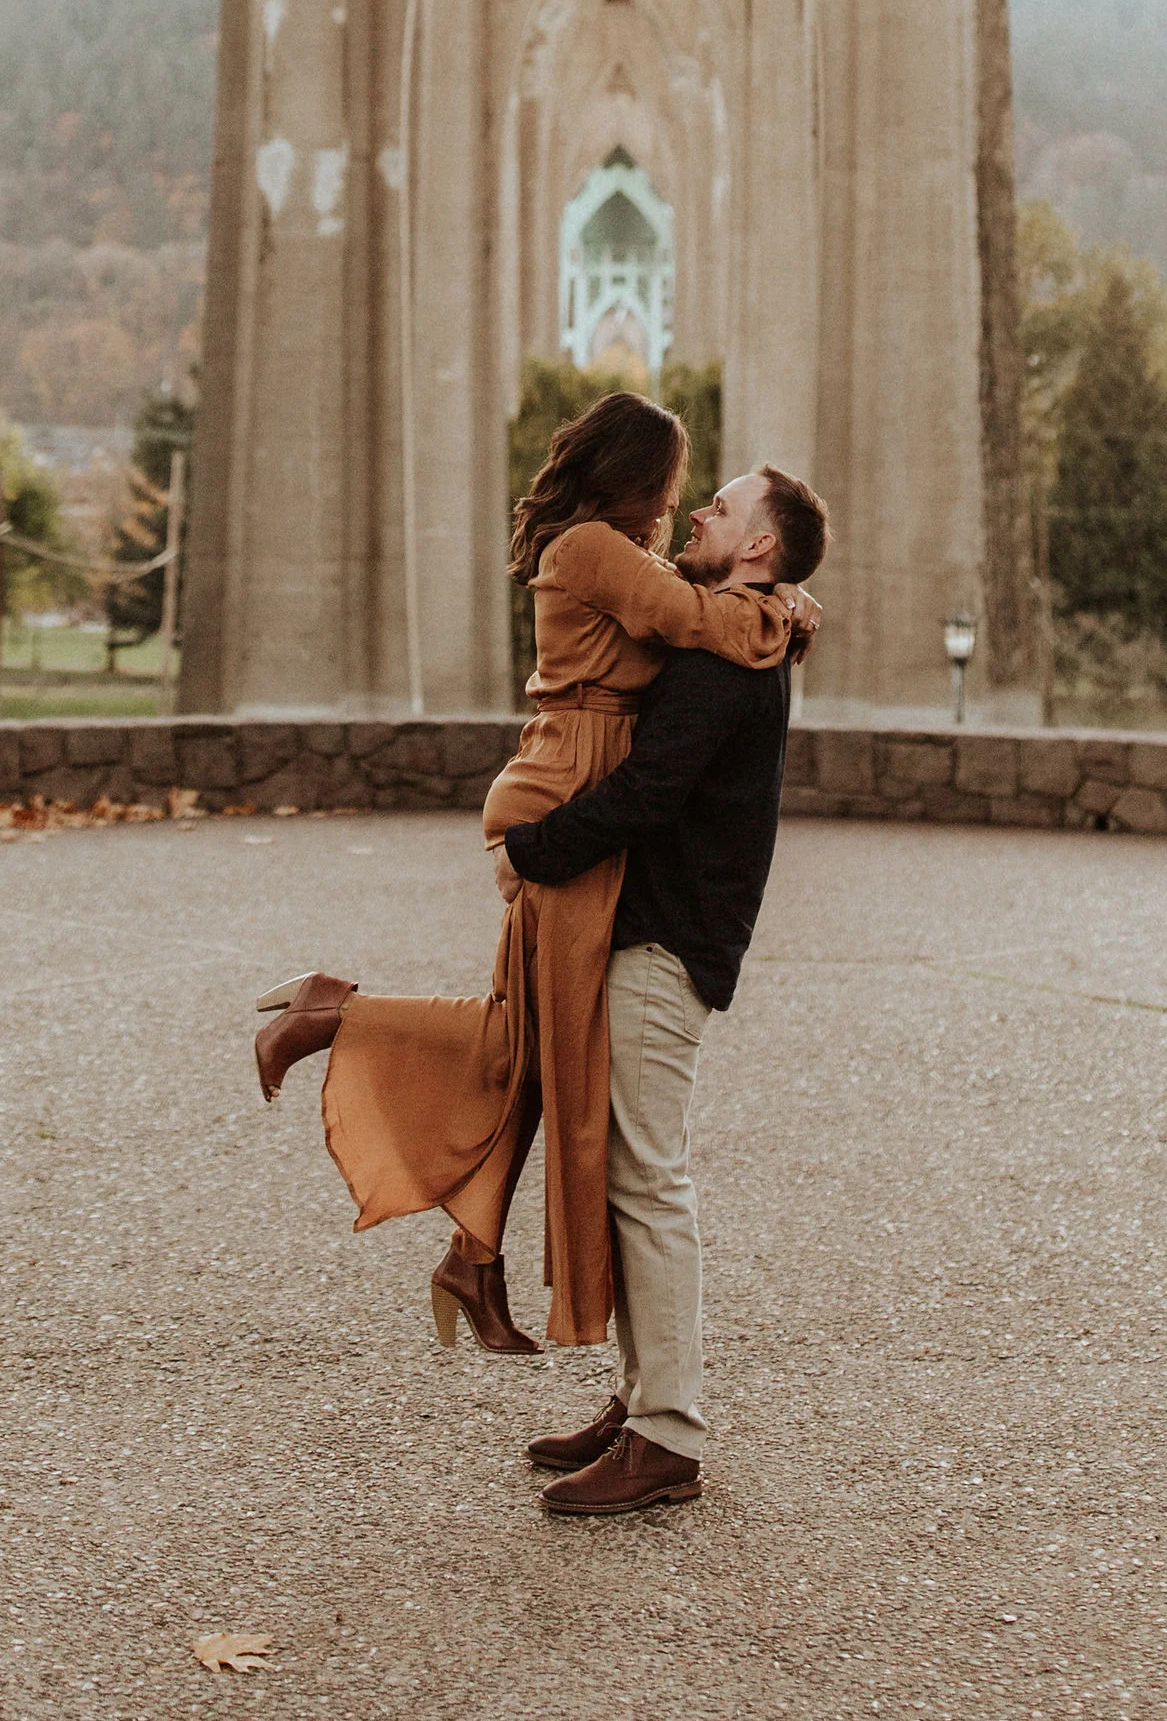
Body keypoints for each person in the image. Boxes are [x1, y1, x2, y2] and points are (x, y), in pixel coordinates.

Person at [250, 391, 817, 1356]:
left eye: (706, 501)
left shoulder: (607, 550)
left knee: (533, 1043)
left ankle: (473, 1257)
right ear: (636, 478)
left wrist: (777, 596)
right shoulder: (597, 550)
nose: (685, 508)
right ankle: (335, 1016)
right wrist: (783, 615)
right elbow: (693, 619)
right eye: (680, 487)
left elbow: (689, 613)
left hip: (570, 788)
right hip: (567, 799)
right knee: (535, 1041)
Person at [501, 459, 830, 1520]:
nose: (698, 513)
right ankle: (642, 1399)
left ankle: (669, 1435)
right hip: (663, 930)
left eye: (722, 508)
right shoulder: (741, 629)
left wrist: (534, 848)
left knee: (648, 1176)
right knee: (631, 1170)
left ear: (762, 548)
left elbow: (648, 793)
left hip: (666, 939)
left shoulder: (724, 658)